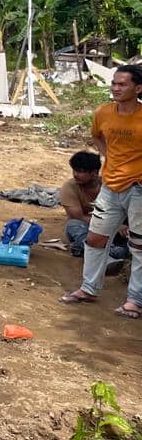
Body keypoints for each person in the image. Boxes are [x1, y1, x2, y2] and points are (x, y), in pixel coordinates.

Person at [60, 64, 142, 317]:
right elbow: (97, 136)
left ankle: (135, 300)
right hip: (111, 185)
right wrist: (110, 157)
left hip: (138, 188)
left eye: (122, 84)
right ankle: (89, 288)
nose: (115, 88)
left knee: (139, 246)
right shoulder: (103, 112)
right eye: (114, 83)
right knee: (95, 238)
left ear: (138, 88)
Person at [61, 151, 128, 264]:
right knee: (73, 225)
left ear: (94, 172)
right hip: (88, 229)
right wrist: (115, 226)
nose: (75, 174)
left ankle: (99, 252)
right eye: (74, 170)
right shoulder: (70, 187)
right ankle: (109, 253)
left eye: (80, 171)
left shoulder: (109, 185)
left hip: (114, 232)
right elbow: (79, 217)